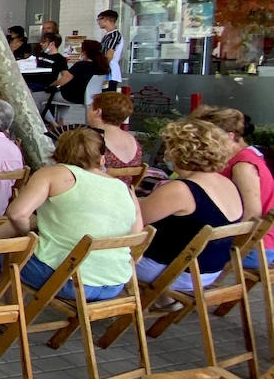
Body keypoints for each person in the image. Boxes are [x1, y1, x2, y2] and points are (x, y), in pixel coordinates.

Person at [0, 127, 143, 301]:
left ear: (58, 152)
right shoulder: (124, 188)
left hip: (66, 279)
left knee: (15, 249)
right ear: (102, 159)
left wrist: (28, 235)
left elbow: (16, 214)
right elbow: (137, 239)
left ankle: (11, 316)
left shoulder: (52, 174)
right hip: (114, 283)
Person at [137, 119, 243, 293]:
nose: (166, 154)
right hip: (209, 270)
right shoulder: (227, 183)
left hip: (173, 271)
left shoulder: (181, 190)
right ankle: (165, 300)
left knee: (100, 251)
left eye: (168, 148)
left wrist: (131, 197)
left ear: (181, 152)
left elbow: (134, 219)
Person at [191, 106, 273, 265]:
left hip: (255, 248)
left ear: (229, 136)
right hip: (258, 243)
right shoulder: (247, 155)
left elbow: (252, 216)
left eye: (209, 136)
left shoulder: (243, 166)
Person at [45, 39, 110, 125]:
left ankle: (54, 124)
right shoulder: (103, 67)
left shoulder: (81, 65)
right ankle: (61, 122)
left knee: (38, 98)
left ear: (85, 52)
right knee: (61, 101)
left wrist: (50, 85)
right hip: (89, 97)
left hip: (71, 96)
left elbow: (64, 80)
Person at [90, 91, 143, 169]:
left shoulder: (92, 142)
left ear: (98, 112)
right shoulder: (133, 141)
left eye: (90, 107)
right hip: (125, 181)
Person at [97, 9, 124, 90]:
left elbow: (110, 54)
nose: (98, 22)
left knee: (108, 98)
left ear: (107, 19)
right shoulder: (107, 35)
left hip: (110, 73)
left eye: (99, 19)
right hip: (106, 72)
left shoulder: (114, 35)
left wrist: (103, 69)